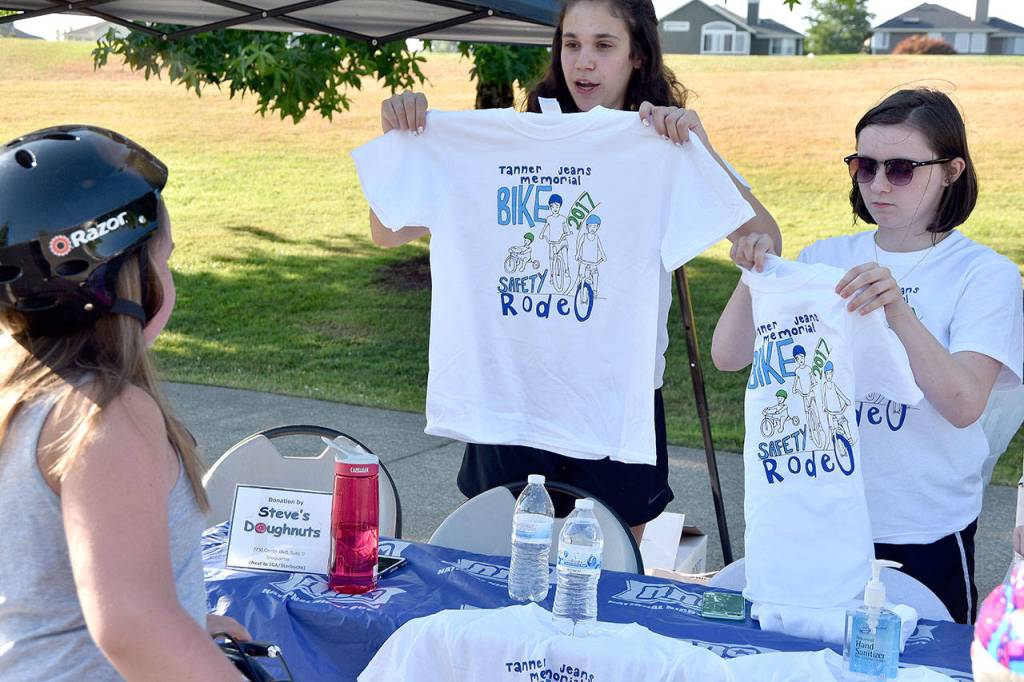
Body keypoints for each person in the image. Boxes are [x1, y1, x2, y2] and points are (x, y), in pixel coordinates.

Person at [369, 0, 781, 540]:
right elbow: (387, 232)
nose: (584, 61)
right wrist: (402, 139)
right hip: (509, 401)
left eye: (604, 45)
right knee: (501, 582)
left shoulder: (659, 146)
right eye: (572, 44)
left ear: (638, 56)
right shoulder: (501, 142)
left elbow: (764, 238)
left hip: (611, 405)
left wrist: (698, 149)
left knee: (606, 589)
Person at [712, 88, 1023, 623]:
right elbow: (728, 356)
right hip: (818, 519)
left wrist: (898, 311)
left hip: (921, 530)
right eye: (864, 165)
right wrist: (753, 276)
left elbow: (965, 402)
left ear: (952, 171)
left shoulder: (984, 274)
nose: (878, 183)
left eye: (901, 169)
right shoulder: (827, 257)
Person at [0, 126, 249, 680]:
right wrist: (168, 625)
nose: (170, 278)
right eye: (165, 259)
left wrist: (188, 619)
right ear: (124, 278)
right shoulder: (106, 415)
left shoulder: (21, 397)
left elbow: (36, 581)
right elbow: (134, 628)